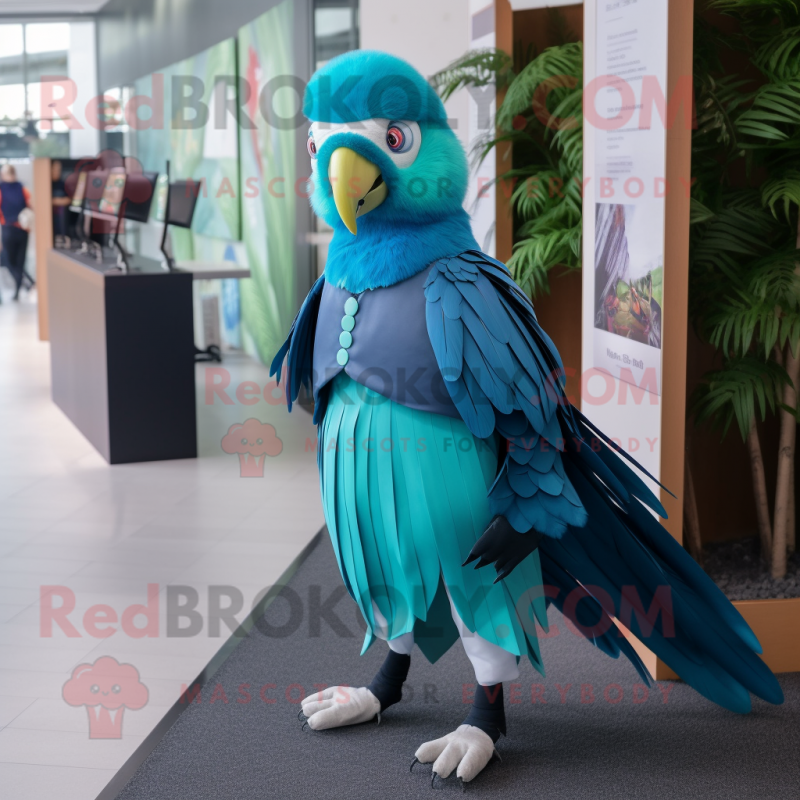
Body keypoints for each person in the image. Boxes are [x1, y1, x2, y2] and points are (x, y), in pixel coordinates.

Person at [0, 164, 33, 301]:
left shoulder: (8, 189)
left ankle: (24, 285)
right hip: (20, 229)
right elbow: (31, 207)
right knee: (16, 262)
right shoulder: (22, 188)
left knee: (12, 261)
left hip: (11, 229)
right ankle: (26, 284)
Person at [51, 160, 71, 240]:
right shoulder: (46, 184)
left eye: (59, 169)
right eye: (55, 169)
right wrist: (60, 201)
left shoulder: (63, 184)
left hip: (62, 221)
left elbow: (68, 200)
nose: (57, 172)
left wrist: (54, 201)